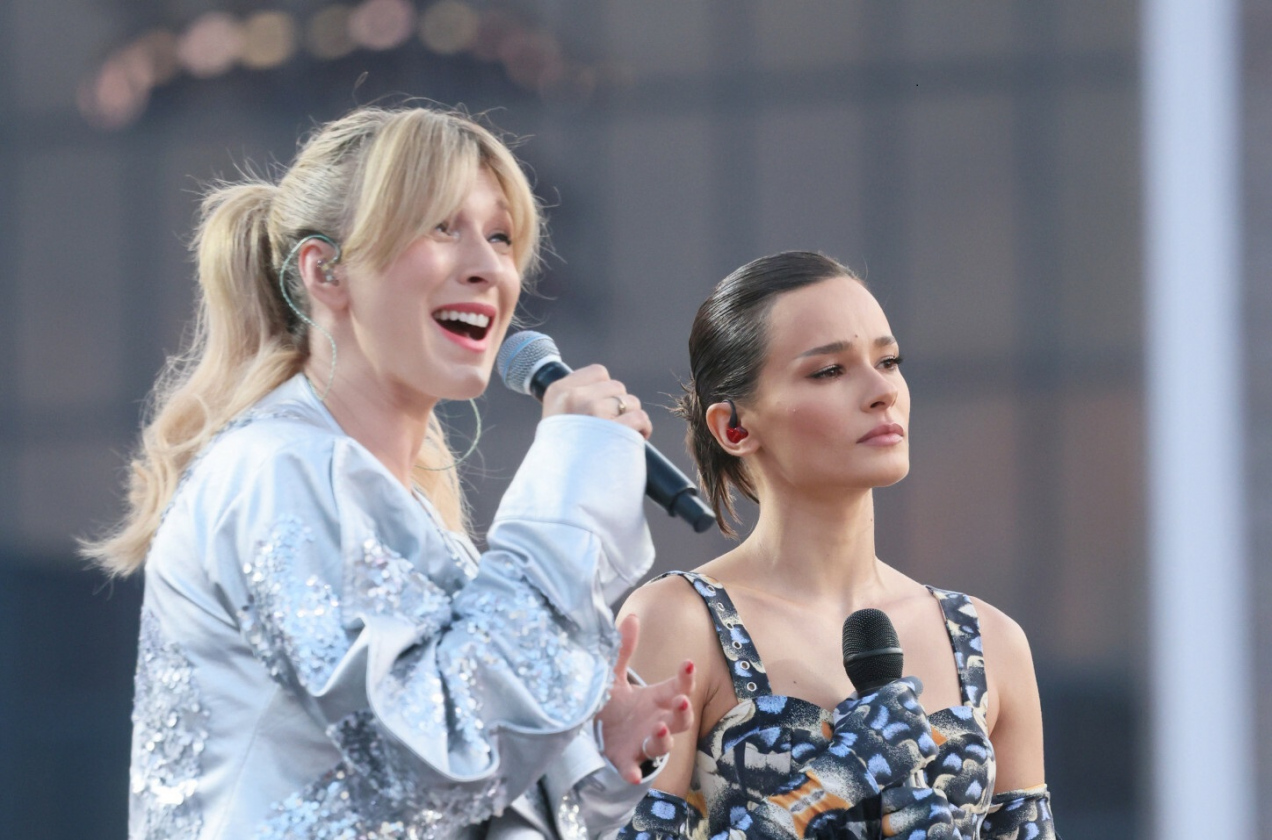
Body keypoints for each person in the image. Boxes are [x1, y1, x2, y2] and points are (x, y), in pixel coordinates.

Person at [83, 105, 695, 840]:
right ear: (325, 271)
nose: (486, 266)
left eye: (500, 236)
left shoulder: (406, 517)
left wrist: (589, 750)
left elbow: (441, 787)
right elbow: (431, 753)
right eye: (441, 227)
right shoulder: (278, 470)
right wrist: (571, 486)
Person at [618, 252, 1058, 838]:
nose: (882, 391)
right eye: (829, 371)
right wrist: (838, 778)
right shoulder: (677, 622)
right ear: (734, 428)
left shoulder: (990, 640)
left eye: (889, 361)